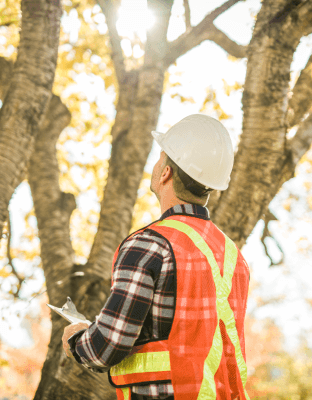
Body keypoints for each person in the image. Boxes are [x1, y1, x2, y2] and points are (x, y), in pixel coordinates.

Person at [62, 114, 251, 400]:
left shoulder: (148, 245)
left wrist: (76, 340)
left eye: (159, 157)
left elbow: (106, 347)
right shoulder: (234, 258)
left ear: (165, 173)